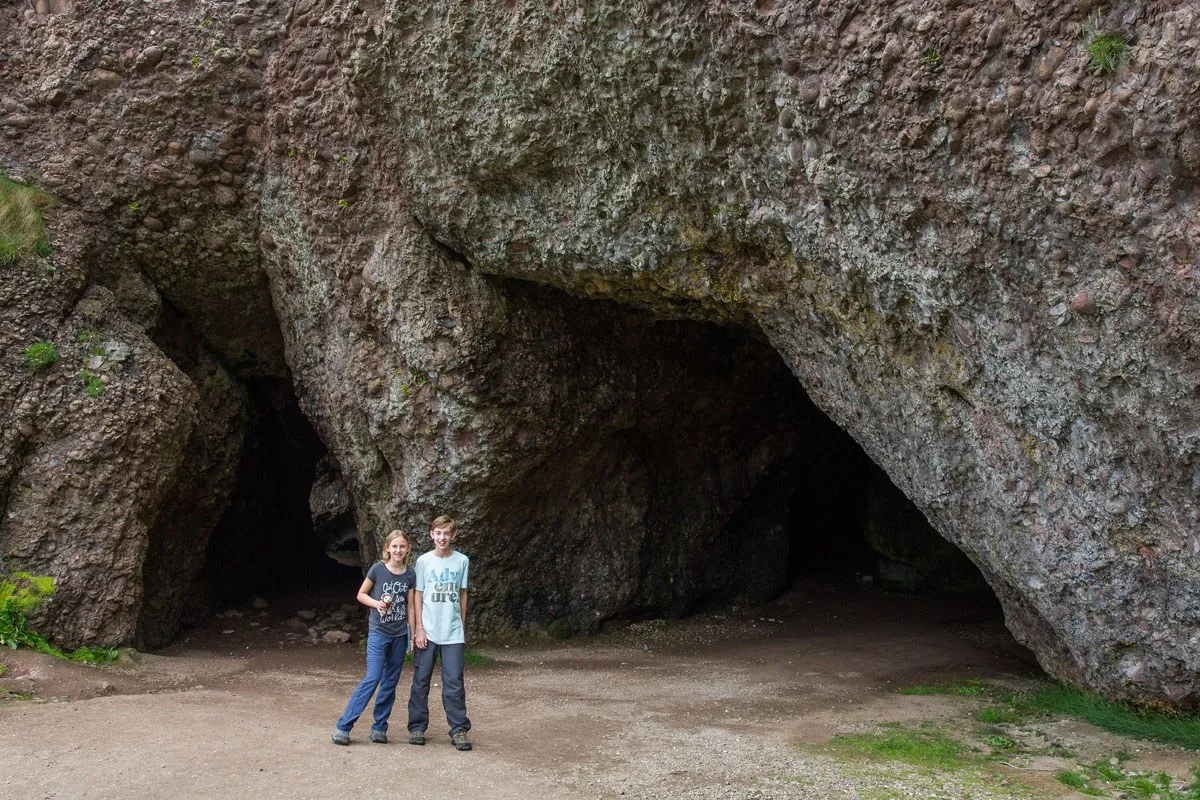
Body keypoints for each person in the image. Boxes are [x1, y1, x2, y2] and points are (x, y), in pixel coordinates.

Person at [331, 529, 416, 745]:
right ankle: (344, 726)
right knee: (373, 677)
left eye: (402, 546)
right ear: (387, 548)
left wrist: (413, 633)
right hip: (378, 633)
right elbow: (361, 594)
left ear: (407, 549)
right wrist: (377, 604)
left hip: (399, 635)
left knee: (390, 682)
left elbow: (411, 606)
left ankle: (379, 727)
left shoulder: (410, 575)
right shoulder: (378, 570)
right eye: (394, 546)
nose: (398, 550)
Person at [407, 515, 472, 751]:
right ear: (431, 535)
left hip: (453, 632)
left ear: (453, 536)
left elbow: (463, 593)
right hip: (429, 631)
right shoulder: (423, 562)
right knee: (421, 680)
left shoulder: (462, 561)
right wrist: (419, 630)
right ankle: (416, 727)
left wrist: (461, 624)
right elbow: (418, 595)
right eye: (438, 533)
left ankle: (459, 730)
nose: (442, 537)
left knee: (454, 682)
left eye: (447, 533)